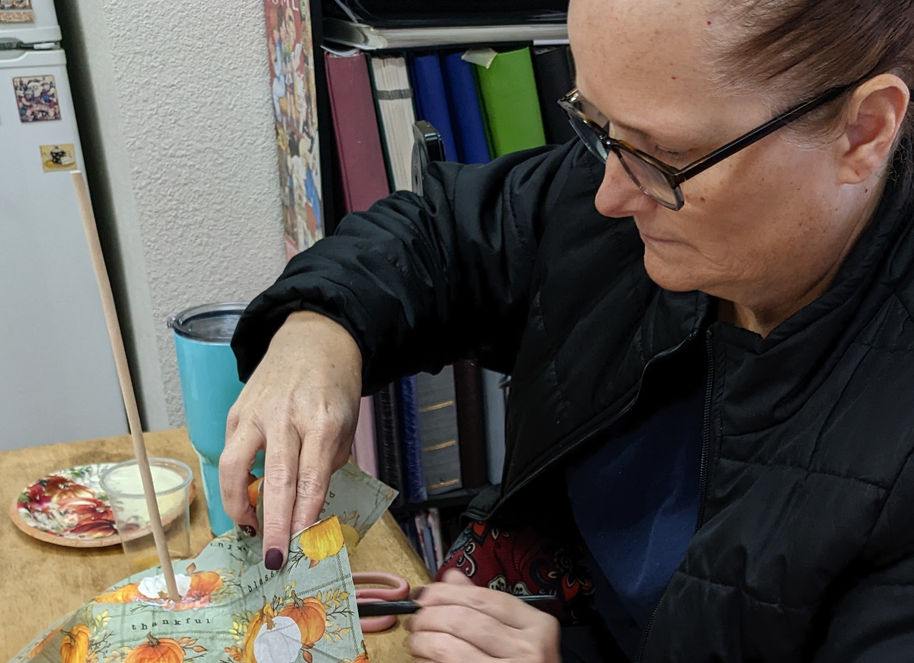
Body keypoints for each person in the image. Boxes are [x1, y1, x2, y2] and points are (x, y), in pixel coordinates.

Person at [220, 0, 914, 659]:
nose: (610, 194)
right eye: (596, 123)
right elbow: (444, 233)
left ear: (865, 131)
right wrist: (319, 330)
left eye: (664, 154)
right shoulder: (620, 185)